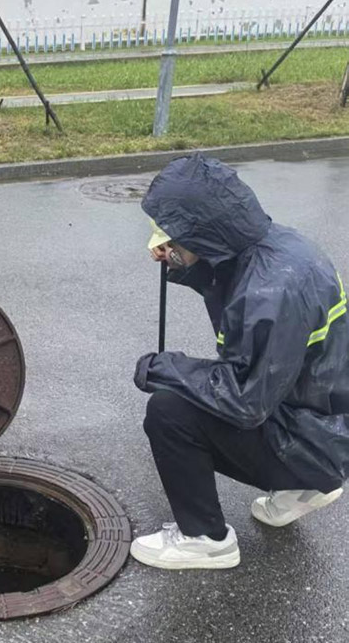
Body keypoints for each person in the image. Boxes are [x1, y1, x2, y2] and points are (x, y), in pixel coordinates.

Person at [130, 154, 348, 570]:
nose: (167, 245)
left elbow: (245, 401)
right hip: (325, 422)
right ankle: (307, 486)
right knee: (187, 396)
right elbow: (230, 280)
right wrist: (181, 261)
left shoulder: (270, 293)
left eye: (174, 238)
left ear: (204, 232)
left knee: (169, 412)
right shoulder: (277, 249)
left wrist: (166, 370)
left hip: (313, 440)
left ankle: (205, 540)